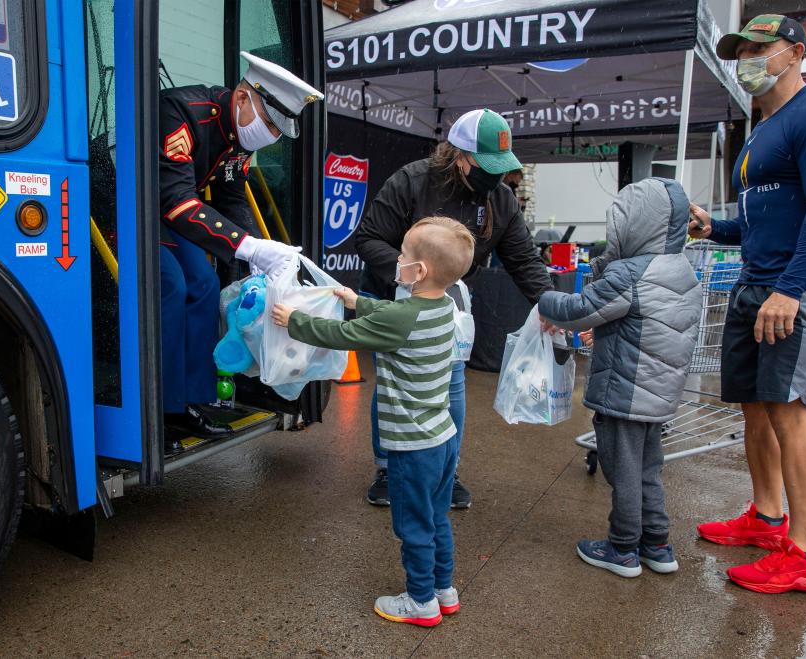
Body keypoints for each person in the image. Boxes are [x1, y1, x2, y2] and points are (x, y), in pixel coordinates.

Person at [690, 15, 806, 593]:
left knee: (791, 411)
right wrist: (714, 228)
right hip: (756, 283)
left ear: (794, 52)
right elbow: (762, 219)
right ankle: (768, 520)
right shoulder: (761, 130)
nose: (747, 59)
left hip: (804, 289)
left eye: (759, 49)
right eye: (741, 50)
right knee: (755, 406)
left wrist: (790, 290)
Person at [272, 217, 476, 627]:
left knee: (412, 525)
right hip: (443, 438)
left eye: (403, 255)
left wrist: (294, 320)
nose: (397, 259)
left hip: (413, 447)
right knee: (436, 516)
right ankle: (443, 590)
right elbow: (393, 312)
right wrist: (356, 299)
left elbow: (340, 335)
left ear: (418, 271)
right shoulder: (445, 304)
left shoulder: (402, 319)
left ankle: (420, 602)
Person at [355, 109, 553, 509]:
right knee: (394, 382)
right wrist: (412, 274)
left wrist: (551, 305)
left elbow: (525, 261)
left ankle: (447, 467)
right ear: (459, 155)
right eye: (486, 166)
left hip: (452, 306)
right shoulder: (411, 181)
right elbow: (369, 238)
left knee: (451, 382)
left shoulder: (501, 199)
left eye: (502, 167)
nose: (495, 176)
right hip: (393, 295)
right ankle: (389, 469)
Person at [538, 178, 702, 578]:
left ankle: (623, 547)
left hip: (624, 390)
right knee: (648, 468)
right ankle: (657, 544)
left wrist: (543, 299)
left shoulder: (631, 274)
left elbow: (580, 308)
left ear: (635, 224)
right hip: (658, 394)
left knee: (622, 469)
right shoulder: (679, 267)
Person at [158, 52, 323, 443]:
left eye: (278, 130)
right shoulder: (182, 112)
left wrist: (258, 252)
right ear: (244, 96)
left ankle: (188, 402)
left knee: (204, 286)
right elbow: (173, 198)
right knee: (170, 287)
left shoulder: (241, 133)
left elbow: (231, 196)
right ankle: (158, 406)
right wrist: (245, 246)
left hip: (174, 210)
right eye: (269, 122)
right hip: (127, 207)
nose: (270, 134)